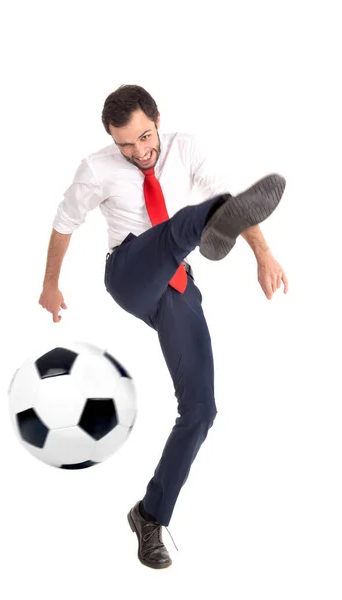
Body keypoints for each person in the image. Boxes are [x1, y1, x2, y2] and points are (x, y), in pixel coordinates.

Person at [39, 84, 289, 570]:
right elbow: (64, 223)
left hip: (176, 282)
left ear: (158, 119)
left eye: (145, 137)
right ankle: (207, 230)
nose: (139, 152)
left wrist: (263, 252)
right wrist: (51, 285)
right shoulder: (96, 168)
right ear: (113, 140)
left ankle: (150, 515)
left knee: (201, 409)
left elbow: (234, 203)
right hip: (131, 270)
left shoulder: (185, 147)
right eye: (125, 145)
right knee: (189, 225)